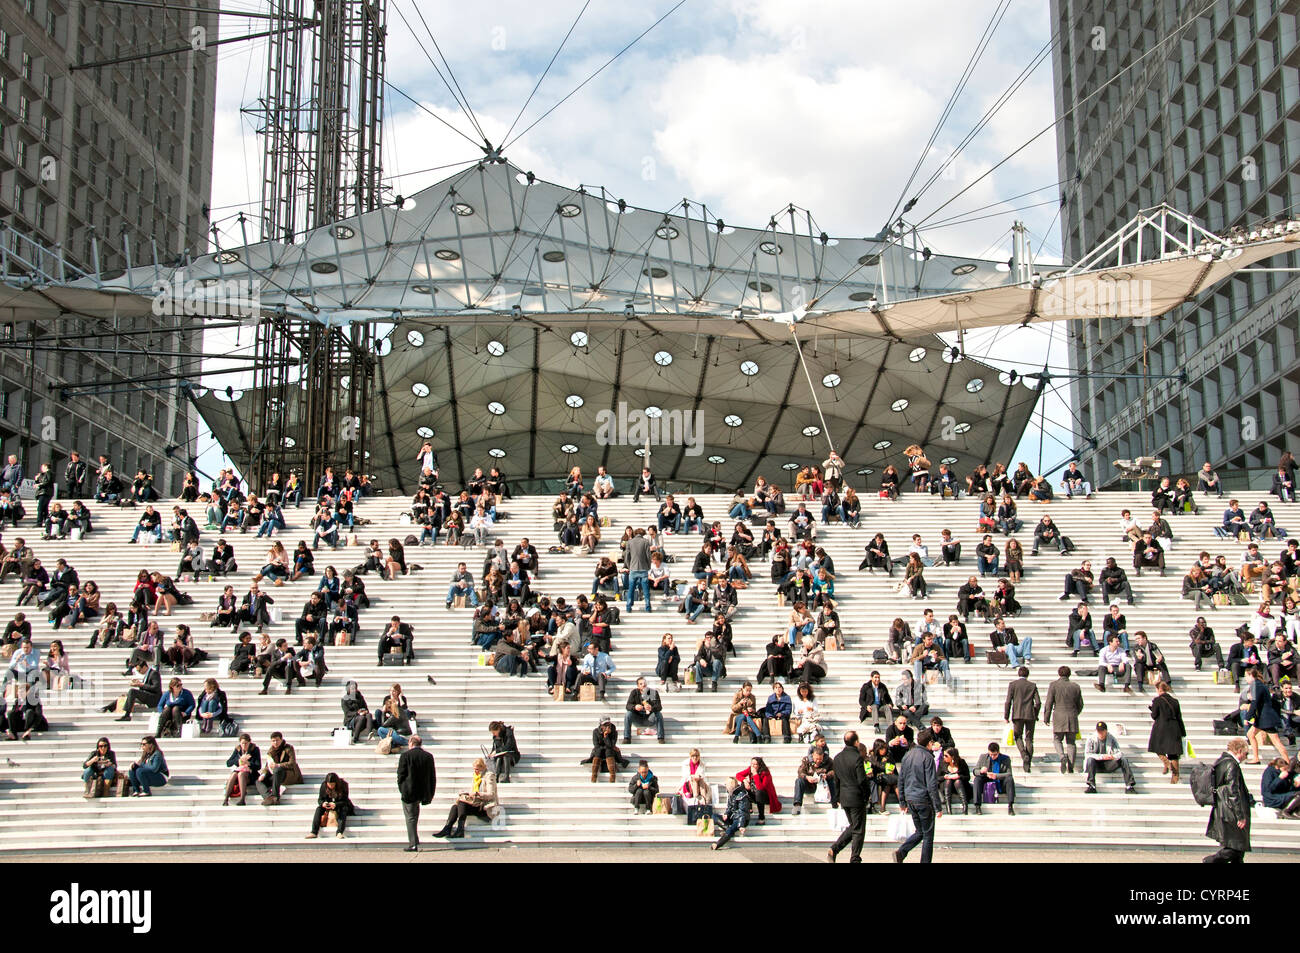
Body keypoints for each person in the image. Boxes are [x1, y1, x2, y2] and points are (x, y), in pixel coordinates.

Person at [895, 728, 943, 863]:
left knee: (920, 831)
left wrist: (902, 801)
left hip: (911, 798)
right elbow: (931, 784)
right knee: (928, 835)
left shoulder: (908, 755)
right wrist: (938, 806)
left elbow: (901, 779)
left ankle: (902, 851)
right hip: (923, 799)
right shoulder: (927, 757)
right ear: (929, 743)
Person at [1204, 738, 1253, 863]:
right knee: (1234, 848)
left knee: (1238, 850)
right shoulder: (1231, 764)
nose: (1246, 757)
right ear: (1239, 750)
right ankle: (1210, 861)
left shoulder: (1222, 761)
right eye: (1246, 754)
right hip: (1230, 811)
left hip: (1224, 808)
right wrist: (1240, 815)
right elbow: (1233, 791)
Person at [825, 730, 869, 863]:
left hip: (844, 796)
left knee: (854, 826)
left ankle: (835, 849)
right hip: (856, 796)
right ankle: (854, 858)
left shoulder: (837, 758)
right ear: (856, 742)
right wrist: (867, 795)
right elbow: (862, 780)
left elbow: (836, 780)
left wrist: (837, 797)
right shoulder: (857, 758)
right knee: (859, 829)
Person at [396, 734, 436, 851]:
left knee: (410, 817)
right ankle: (415, 839)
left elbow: (400, 775)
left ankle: (413, 843)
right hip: (422, 791)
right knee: (414, 815)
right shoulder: (428, 756)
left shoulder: (405, 756)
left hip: (409, 791)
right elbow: (432, 776)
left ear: (411, 743)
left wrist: (402, 789)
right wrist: (430, 792)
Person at [1044, 666, 1084, 773]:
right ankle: (1071, 765)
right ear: (1069, 674)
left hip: (1058, 717)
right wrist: (1075, 713)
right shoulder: (1075, 686)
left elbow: (1049, 702)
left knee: (1057, 739)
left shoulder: (1054, 685)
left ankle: (1062, 757)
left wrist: (1046, 717)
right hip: (1072, 717)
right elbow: (1080, 704)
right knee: (1071, 742)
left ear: (1059, 674)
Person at [1004, 666, 1041, 772]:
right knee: (1029, 739)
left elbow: (1008, 701)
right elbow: (1038, 702)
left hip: (1017, 714)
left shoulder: (1013, 685)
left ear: (1018, 674)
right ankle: (1028, 763)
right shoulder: (1032, 685)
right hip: (1030, 715)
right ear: (1027, 675)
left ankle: (1024, 754)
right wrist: (1035, 714)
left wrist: (1006, 716)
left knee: (1018, 736)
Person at [1083, 721, 1136, 793]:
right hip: (1095, 765)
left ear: (1106, 731)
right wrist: (1102, 757)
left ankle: (1129, 786)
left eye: (1102, 731)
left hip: (1108, 764)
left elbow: (1119, 753)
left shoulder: (1111, 738)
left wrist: (1112, 757)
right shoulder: (1091, 738)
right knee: (1090, 760)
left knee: (1123, 759)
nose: (1100, 733)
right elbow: (1088, 754)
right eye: (1099, 731)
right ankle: (1091, 785)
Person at [972, 742, 1016, 815]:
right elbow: (974, 771)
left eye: (994, 755)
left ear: (998, 752)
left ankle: (1010, 806)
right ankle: (977, 806)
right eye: (990, 754)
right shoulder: (983, 757)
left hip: (999, 779)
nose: (992, 756)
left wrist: (996, 776)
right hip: (986, 777)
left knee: (1009, 779)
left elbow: (1009, 773)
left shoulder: (1006, 758)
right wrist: (981, 771)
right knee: (977, 779)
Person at [306, 772, 353, 839]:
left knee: (343, 810)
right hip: (328, 805)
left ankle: (339, 832)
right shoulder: (324, 785)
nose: (331, 786)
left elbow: (345, 800)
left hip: (340, 805)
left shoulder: (343, 785)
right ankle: (314, 832)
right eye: (329, 784)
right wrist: (323, 803)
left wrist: (336, 804)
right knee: (318, 809)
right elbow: (320, 799)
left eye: (332, 784)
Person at [623, 676, 665, 744]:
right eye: (641, 684)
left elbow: (659, 707)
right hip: (637, 718)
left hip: (649, 718)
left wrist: (651, 708)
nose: (643, 685)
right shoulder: (634, 692)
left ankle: (661, 738)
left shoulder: (652, 692)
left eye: (644, 683)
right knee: (628, 714)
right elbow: (628, 706)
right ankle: (627, 738)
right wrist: (635, 707)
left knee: (659, 714)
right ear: (638, 686)